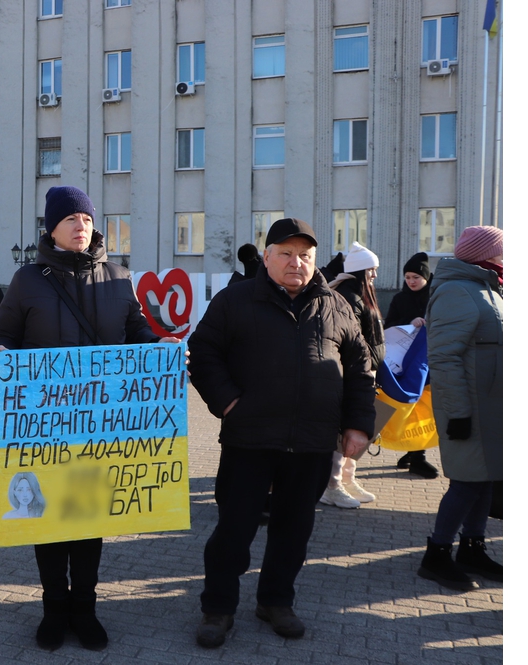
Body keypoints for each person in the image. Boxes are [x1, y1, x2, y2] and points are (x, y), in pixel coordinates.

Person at [0, 185, 179, 652]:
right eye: (71, 218)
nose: (80, 226)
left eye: (87, 219)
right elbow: (3, 335)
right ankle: (54, 609)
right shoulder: (28, 280)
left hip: (101, 425)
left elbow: (136, 332)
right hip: (46, 426)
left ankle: (85, 609)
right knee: (49, 520)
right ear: (52, 227)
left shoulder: (117, 277)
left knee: (89, 518)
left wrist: (159, 348)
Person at [188, 218, 375, 647]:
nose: (296, 263)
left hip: (311, 442)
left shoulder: (336, 306)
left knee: (294, 531)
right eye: (286, 254)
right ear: (267, 256)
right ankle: (218, 609)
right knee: (233, 531)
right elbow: (203, 352)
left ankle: (275, 601)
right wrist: (228, 403)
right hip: (249, 439)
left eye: (305, 256)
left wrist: (358, 425)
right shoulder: (235, 301)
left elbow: (362, 369)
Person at [417, 226, 503, 590]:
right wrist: (458, 414)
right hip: (470, 410)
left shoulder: (489, 288)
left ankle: (472, 548)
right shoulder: (456, 290)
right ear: (485, 254)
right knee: (466, 484)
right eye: (502, 251)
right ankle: (436, 555)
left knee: (486, 482)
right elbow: (445, 358)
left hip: (493, 409)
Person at [319, 241, 383, 509]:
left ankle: (347, 478)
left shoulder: (356, 293)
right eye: (372, 269)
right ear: (361, 271)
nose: (375, 276)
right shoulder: (349, 296)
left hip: (363, 372)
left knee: (356, 429)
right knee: (342, 431)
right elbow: (352, 342)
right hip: (349, 375)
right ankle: (332, 485)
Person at [383, 252, 440, 479]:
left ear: (426, 277)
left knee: (424, 408)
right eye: (407, 277)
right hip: (403, 363)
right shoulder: (399, 299)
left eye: (416, 276)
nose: (411, 281)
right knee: (408, 406)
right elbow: (389, 326)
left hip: (430, 362)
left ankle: (415, 454)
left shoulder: (435, 298)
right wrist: (409, 323)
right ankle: (415, 455)